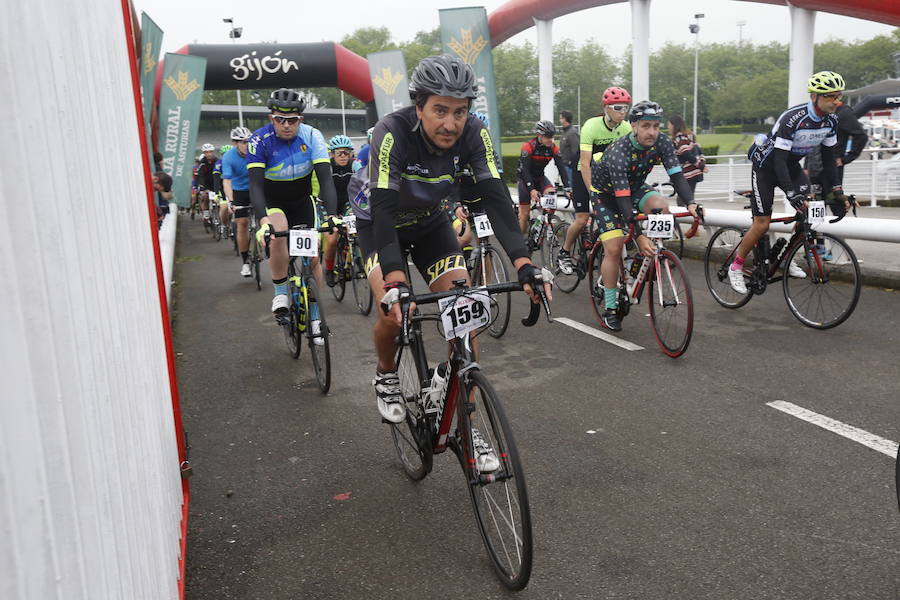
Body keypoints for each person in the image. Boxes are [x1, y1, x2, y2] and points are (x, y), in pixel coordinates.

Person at [364, 55, 549, 472]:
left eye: (459, 112)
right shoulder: (390, 131)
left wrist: (523, 263)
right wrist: (395, 277)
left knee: (462, 311)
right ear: (420, 107)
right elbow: (382, 207)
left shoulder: (475, 133)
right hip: (381, 224)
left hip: (431, 225)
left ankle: (466, 421)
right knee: (395, 312)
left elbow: (494, 196)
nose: (450, 123)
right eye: (440, 110)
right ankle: (386, 374)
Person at [728, 71, 846, 294]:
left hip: (791, 167)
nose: (836, 101)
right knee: (762, 223)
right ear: (814, 97)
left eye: (838, 96)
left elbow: (830, 161)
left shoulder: (832, 120)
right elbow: (779, 160)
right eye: (830, 96)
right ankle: (737, 266)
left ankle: (785, 256)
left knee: (808, 211)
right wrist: (791, 193)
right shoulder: (793, 118)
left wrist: (838, 191)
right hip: (766, 168)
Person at [591, 100, 698, 331]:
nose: (652, 132)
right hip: (608, 196)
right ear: (634, 126)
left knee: (661, 204)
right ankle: (610, 307)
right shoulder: (619, 151)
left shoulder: (662, 142)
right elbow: (623, 201)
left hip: (636, 187)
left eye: (656, 126)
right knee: (613, 247)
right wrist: (639, 235)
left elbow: (677, 175)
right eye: (646, 126)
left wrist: (691, 203)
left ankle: (645, 260)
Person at [248, 88, 339, 325]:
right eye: (280, 120)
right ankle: (280, 293)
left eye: (292, 120)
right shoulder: (260, 139)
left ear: (301, 119)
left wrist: (331, 216)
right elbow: (255, 185)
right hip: (273, 201)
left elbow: (326, 178)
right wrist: (263, 222)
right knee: (278, 234)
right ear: (271, 118)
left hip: (302, 200)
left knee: (314, 259)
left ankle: (317, 317)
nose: (286, 125)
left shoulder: (312, 136)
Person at [558, 87, 632, 276]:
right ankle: (564, 251)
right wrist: (593, 191)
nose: (622, 112)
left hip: (605, 174)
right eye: (618, 108)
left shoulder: (626, 128)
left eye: (626, 108)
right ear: (606, 108)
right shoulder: (591, 126)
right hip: (583, 172)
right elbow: (585, 163)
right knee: (582, 218)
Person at [515, 120, 571, 235]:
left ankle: (542, 224)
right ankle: (520, 241)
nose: (550, 139)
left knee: (551, 194)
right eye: (547, 136)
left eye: (552, 136)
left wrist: (568, 188)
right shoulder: (528, 146)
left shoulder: (553, 148)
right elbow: (525, 171)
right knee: (524, 214)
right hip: (525, 180)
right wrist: (532, 190)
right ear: (539, 135)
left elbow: (562, 168)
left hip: (540, 178)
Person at [322, 134, 356, 285]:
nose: (343, 156)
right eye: (339, 153)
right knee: (333, 237)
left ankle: (354, 258)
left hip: (347, 203)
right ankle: (329, 269)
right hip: (329, 205)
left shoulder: (355, 165)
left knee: (355, 230)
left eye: (346, 153)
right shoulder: (327, 167)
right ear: (332, 154)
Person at [222, 127, 253, 276]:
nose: (247, 145)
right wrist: (231, 201)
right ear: (235, 143)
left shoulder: (256, 151)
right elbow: (227, 181)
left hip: (256, 188)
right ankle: (246, 261)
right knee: (242, 224)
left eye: (249, 141)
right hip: (239, 190)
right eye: (244, 142)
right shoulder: (228, 157)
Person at [667, 114, 706, 200]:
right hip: (693, 173)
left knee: (684, 200)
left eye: (669, 125)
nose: (668, 127)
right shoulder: (688, 136)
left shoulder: (680, 138)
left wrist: (700, 165)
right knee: (688, 198)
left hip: (688, 173)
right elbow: (697, 151)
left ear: (674, 125)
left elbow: (686, 154)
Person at [195, 143, 217, 220]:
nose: (209, 154)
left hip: (216, 183)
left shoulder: (217, 161)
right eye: (206, 152)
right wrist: (203, 188)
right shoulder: (202, 163)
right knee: (205, 196)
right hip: (206, 184)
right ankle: (206, 212)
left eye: (210, 152)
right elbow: (200, 176)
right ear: (204, 153)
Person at [558, 110, 580, 185]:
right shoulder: (565, 132)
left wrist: (571, 163)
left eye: (561, 118)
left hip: (569, 167)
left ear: (565, 119)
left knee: (571, 187)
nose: (559, 120)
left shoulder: (572, 132)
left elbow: (575, 150)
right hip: (564, 165)